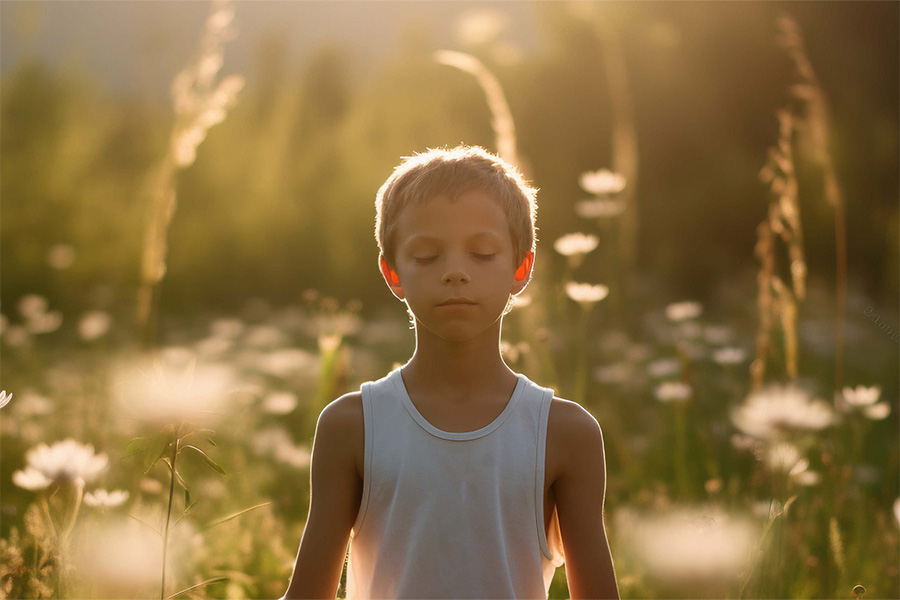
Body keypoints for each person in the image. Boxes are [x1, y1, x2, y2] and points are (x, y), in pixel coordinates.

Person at [280, 145, 619, 599]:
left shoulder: (564, 432)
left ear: (522, 267)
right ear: (392, 272)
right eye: (426, 257)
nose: (455, 272)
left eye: (481, 253)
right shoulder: (352, 427)